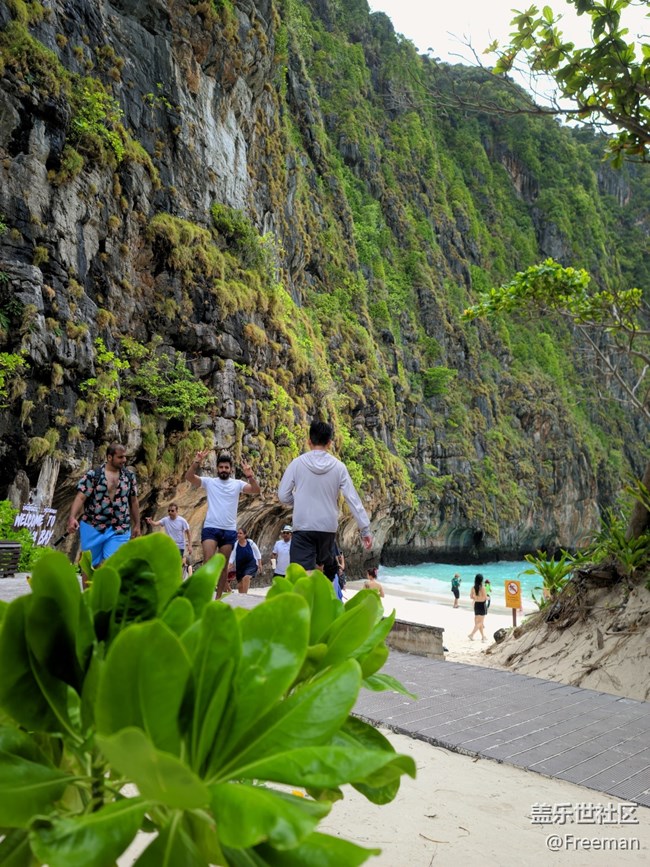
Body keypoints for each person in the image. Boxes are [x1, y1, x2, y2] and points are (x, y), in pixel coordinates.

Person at [277, 420, 372, 580]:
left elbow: (282, 495)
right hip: (327, 528)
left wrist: (299, 502)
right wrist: (365, 530)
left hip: (303, 526)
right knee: (322, 568)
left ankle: (306, 600)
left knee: (301, 574)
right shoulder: (339, 467)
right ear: (329, 443)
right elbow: (352, 499)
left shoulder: (297, 464)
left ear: (309, 441)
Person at [185, 450, 260, 597]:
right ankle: (205, 595)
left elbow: (256, 490)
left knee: (224, 567)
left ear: (231, 469)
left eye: (226, 467)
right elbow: (189, 477)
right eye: (221, 467)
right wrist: (197, 461)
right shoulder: (210, 482)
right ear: (217, 468)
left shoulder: (237, 484)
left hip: (229, 530)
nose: (224, 470)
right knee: (207, 562)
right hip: (211, 528)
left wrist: (250, 476)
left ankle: (218, 598)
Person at [66, 442, 140, 569]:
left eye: (125, 457)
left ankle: (106, 589)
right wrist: (72, 517)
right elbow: (81, 497)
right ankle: (89, 590)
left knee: (112, 565)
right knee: (88, 565)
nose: (124, 460)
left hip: (119, 528)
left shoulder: (129, 477)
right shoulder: (93, 475)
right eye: (120, 457)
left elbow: (133, 501)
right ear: (109, 457)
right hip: (93, 526)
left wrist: (137, 524)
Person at [146, 503, 192, 578]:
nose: (170, 512)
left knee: (177, 565)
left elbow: (188, 533)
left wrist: (190, 545)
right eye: (169, 511)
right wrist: (151, 522)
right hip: (169, 545)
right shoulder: (165, 520)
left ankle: (177, 579)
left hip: (179, 546)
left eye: (172, 511)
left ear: (177, 511)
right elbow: (156, 524)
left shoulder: (182, 521)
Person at [227, 527, 262, 594]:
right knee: (240, 586)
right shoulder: (236, 544)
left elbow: (258, 553)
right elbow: (232, 557)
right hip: (240, 566)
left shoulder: (250, 543)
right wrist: (229, 565)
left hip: (251, 564)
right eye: (238, 533)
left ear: (245, 535)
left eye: (240, 533)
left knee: (246, 577)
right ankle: (242, 599)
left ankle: (245, 595)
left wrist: (260, 564)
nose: (238, 535)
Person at [468, 573, 488, 641]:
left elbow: (471, 597)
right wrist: (488, 598)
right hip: (482, 605)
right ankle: (471, 634)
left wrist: (476, 597)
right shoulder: (482, 588)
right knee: (480, 622)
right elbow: (485, 597)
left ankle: (483, 636)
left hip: (476, 605)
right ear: (481, 580)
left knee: (478, 622)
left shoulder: (473, 588)